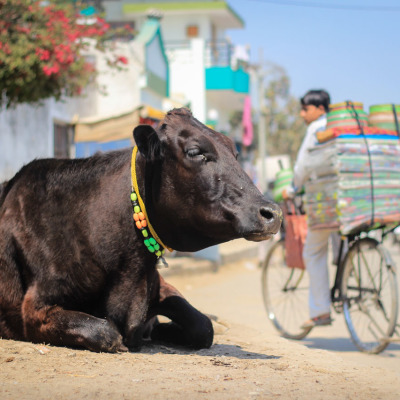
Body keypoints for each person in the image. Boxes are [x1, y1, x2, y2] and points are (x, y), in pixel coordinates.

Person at [287, 89, 336, 329]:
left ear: (319, 109)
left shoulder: (315, 130)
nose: (301, 113)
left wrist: (293, 189)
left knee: (313, 252)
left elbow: (303, 166)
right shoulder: (341, 128)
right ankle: (346, 291)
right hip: (350, 200)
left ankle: (320, 311)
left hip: (326, 201)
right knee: (341, 245)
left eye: (305, 108)